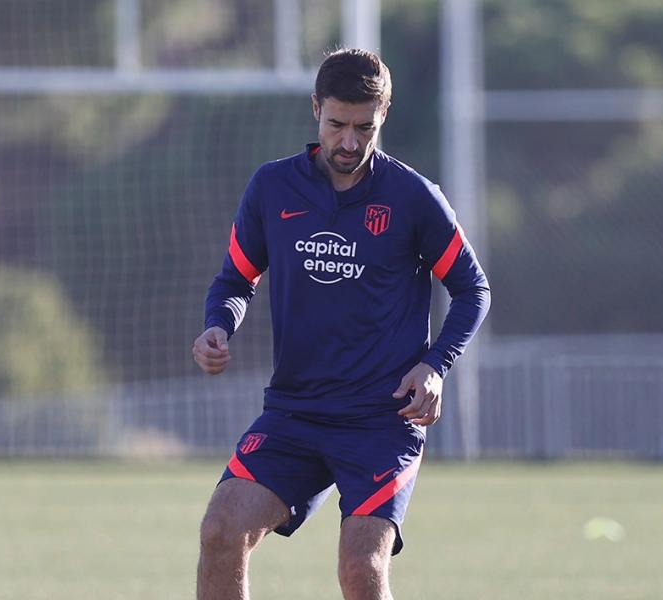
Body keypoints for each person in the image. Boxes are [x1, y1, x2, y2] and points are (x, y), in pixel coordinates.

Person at [191, 48, 490, 600]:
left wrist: (434, 366)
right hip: (296, 412)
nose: (349, 142)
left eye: (363, 128)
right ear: (315, 110)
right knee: (220, 532)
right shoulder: (272, 188)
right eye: (337, 125)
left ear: (383, 119)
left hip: (381, 422)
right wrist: (218, 327)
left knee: (361, 568)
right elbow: (235, 279)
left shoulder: (414, 198)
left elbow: (473, 290)